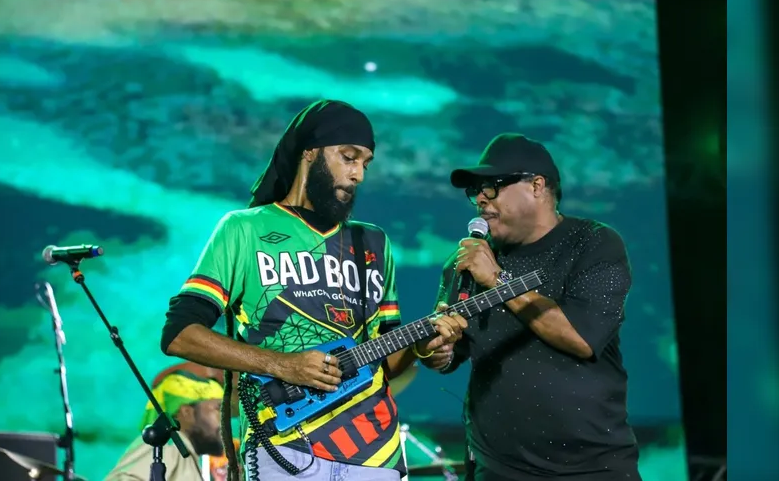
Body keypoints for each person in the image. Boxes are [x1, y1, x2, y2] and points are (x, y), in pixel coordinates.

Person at [160, 100, 467, 481]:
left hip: (376, 451)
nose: (358, 174)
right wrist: (281, 364)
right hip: (284, 445)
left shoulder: (373, 242)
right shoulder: (244, 229)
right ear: (309, 153)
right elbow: (180, 335)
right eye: (348, 157)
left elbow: (387, 361)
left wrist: (422, 347)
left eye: (365, 163)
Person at [426, 133, 641, 481]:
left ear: (537, 186)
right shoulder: (467, 261)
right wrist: (435, 349)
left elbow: (582, 339)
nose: (480, 198)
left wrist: (497, 280)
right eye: (475, 190)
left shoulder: (592, 243)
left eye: (492, 186)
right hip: (496, 468)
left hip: (590, 468)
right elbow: (450, 356)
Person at [105, 368, 228, 481]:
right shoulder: (165, 445)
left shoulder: (186, 455)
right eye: (217, 409)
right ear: (187, 412)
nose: (224, 421)